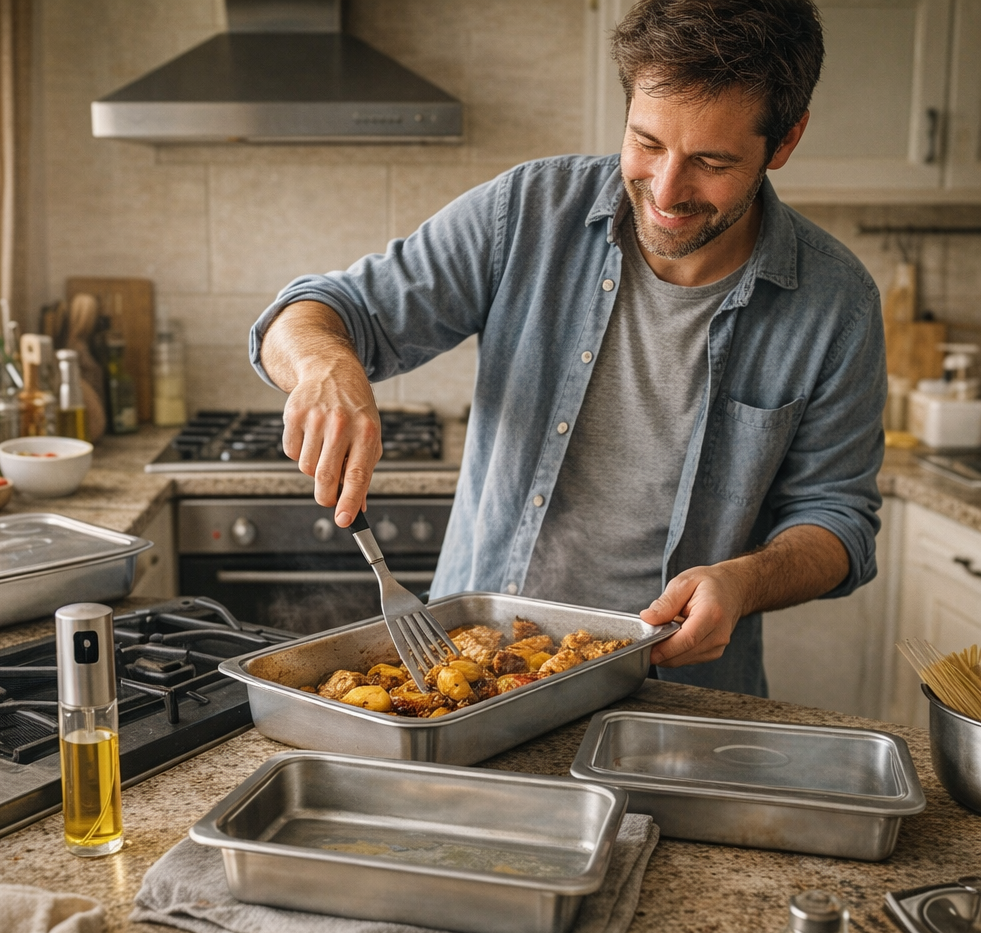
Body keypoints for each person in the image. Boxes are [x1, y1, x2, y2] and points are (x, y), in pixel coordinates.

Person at [249, 0, 886, 696]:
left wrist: (741, 581)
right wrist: (325, 367)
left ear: (785, 141)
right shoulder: (526, 212)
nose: (667, 189)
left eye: (710, 160)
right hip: (473, 683)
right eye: (646, 143)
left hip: (680, 695)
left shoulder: (835, 302)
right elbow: (312, 313)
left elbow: (837, 520)